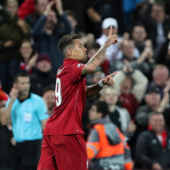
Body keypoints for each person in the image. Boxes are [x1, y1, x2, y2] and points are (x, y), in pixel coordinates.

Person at [38, 27, 118, 170]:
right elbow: (91, 67)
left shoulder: (65, 70)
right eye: (80, 46)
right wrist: (106, 45)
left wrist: (100, 84)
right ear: (70, 52)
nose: (85, 49)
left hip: (52, 132)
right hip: (68, 131)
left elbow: (84, 92)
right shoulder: (72, 67)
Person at [3, 71, 49, 170]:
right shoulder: (11, 101)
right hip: (16, 145)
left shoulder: (38, 101)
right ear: (15, 85)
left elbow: (45, 125)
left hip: (34, 145)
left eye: (27, 83)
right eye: (22, 83)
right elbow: (5, 121)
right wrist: (11, 100)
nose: (26, 86)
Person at [86, 101, 133, 170]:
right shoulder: (114, 128)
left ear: (100, 114)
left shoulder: (96, 130)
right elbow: (126, 147)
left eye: (93, 110)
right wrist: (128, 167)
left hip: (101, 166)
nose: (89, 112)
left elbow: (90, 152)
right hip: (119, 166)